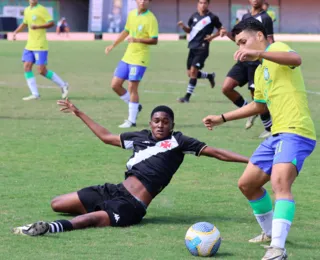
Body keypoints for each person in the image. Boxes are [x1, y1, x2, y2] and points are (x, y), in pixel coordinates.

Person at [12, 99, 249, 236]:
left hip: (132, 205)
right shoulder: (139, 137)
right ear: (150, 123)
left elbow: (216, 152)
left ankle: (48, 229)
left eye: (166, 122)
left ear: (172, 125)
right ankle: (100, 214)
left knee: (90, 220)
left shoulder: (180, 141)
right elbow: (106, 137)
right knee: (57, 203)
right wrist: (79, 113)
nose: (160, 125)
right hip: (113, 191)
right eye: (157, 121)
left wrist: (250, 161)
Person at [203, 18, 316, 260]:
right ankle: (268, 233)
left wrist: (258, 52)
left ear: (260, 36)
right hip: (277, 134)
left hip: (296, 131)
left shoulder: (276, 49)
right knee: (248, 184)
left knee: (279, 184)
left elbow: (296, 59)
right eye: (238, 44)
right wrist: (222, 117)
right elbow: (259, 105)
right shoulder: (260, 70)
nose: (241, 48)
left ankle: (278, 249)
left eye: (244, 42)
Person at [224, 0, 274, 138]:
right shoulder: (245, 17)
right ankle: (249, 110)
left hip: (256, 61)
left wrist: (268, 58)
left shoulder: (265, 18)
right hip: (243, 59)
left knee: (257, 96)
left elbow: (270, 40)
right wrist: (226, 34)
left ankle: (269, 128)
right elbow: (239, 39)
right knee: (226, 88)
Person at [105, 0, 158, 128]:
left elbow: (154, 40)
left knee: (132, 87)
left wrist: (137, 39)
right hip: (127, 56)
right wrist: (113, 45)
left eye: (145, 0)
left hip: (140, 58)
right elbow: (126, 31)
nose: (142, 2)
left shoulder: (151, 19)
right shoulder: (132, 14)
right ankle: (135, 106)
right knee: (115, 85)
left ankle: (131, 120)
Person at [12, 0, 69, 101]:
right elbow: (25, 23)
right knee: (26, 67)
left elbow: (51, 23)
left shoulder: (42, 9)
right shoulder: (27, 10)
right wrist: (16, 32)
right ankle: (35, 94)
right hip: (29, 44)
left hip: (40, 45)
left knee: (42, 71)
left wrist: (38, 26)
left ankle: (64, 85)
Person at [177, 0, 226, 103]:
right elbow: (190, 31)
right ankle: (209, 76)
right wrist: (183, 27)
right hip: (192, 47)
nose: (202, 5)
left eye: (205, 3)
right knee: (190, 73)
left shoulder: (212, 17)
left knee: (194, 71)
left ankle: (187, 98)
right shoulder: (193, 16)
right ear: (197, 4)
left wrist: (212, 37)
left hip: (203, 48)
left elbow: (222, 29)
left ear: (208, 4)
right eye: (201, 3)